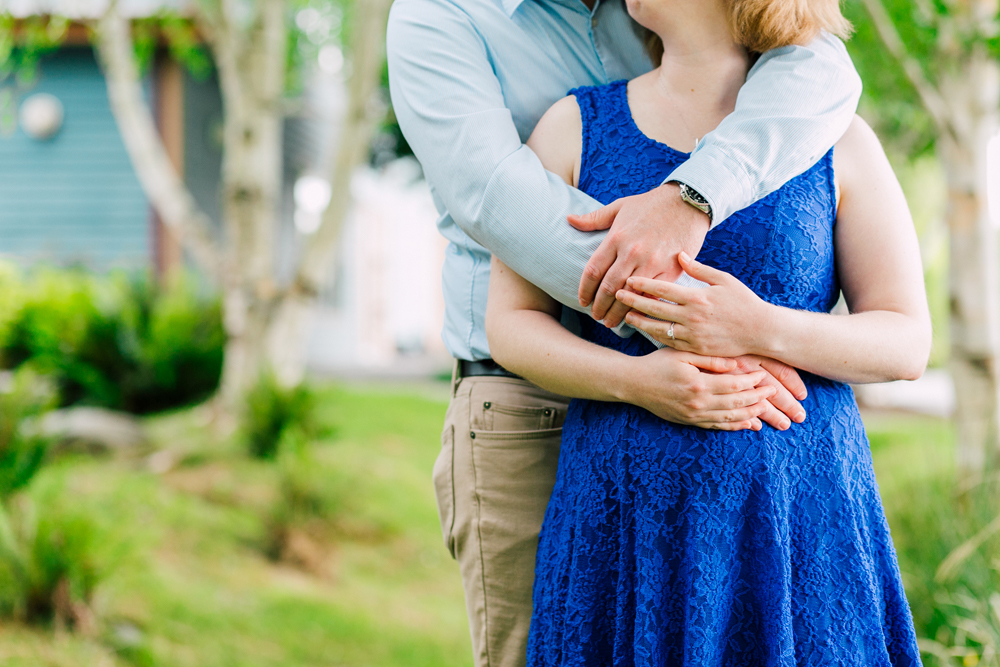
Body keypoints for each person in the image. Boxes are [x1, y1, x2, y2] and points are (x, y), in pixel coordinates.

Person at [387, 1, 862, 665]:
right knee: (551, 645)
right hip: (527, 401)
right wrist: (707, 322)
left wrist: (691, 199)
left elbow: (821, 70)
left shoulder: (650, 5)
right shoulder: (441, 18)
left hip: (732, 430)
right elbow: (495, 198)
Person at [484, 0, 932, 663]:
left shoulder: (838, 137)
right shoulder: (573, 128)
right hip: (623, 519)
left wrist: (758, 326)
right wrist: (637, 381)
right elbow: (510, 325)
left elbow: (905, 341)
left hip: (797, 522)